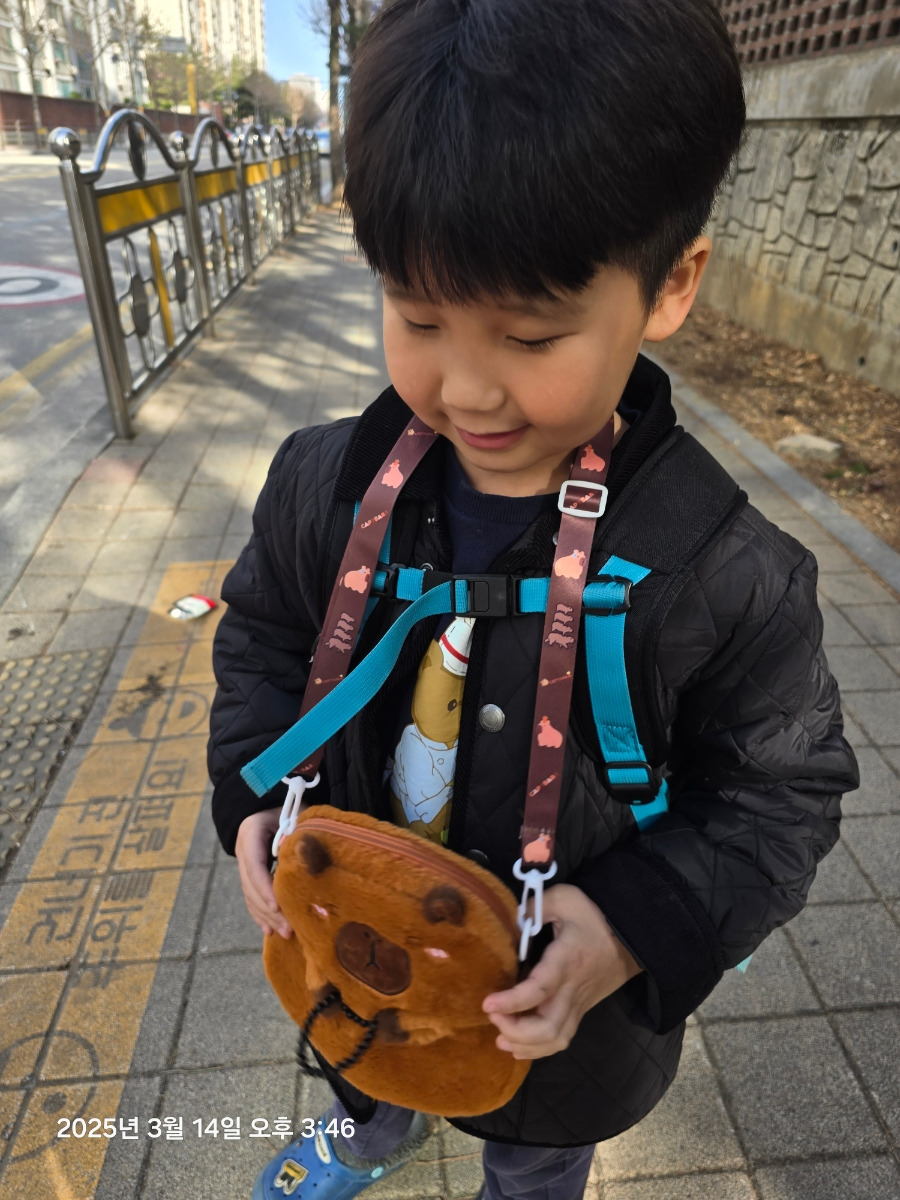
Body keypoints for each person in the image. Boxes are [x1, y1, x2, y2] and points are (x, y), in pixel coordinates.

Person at [207, 1, 860, 1197]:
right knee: (365, 1063)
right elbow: (264, 639)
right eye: (417, 316)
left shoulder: (720, 569)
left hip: (558, 1023)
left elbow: (783, 792)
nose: (465, 388)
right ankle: (371, 1132)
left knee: (536, 1149)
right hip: (357, 941)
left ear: (671, 286)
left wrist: (632, 929)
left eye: (533, 336)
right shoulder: (324, 485)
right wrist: (252, 795)